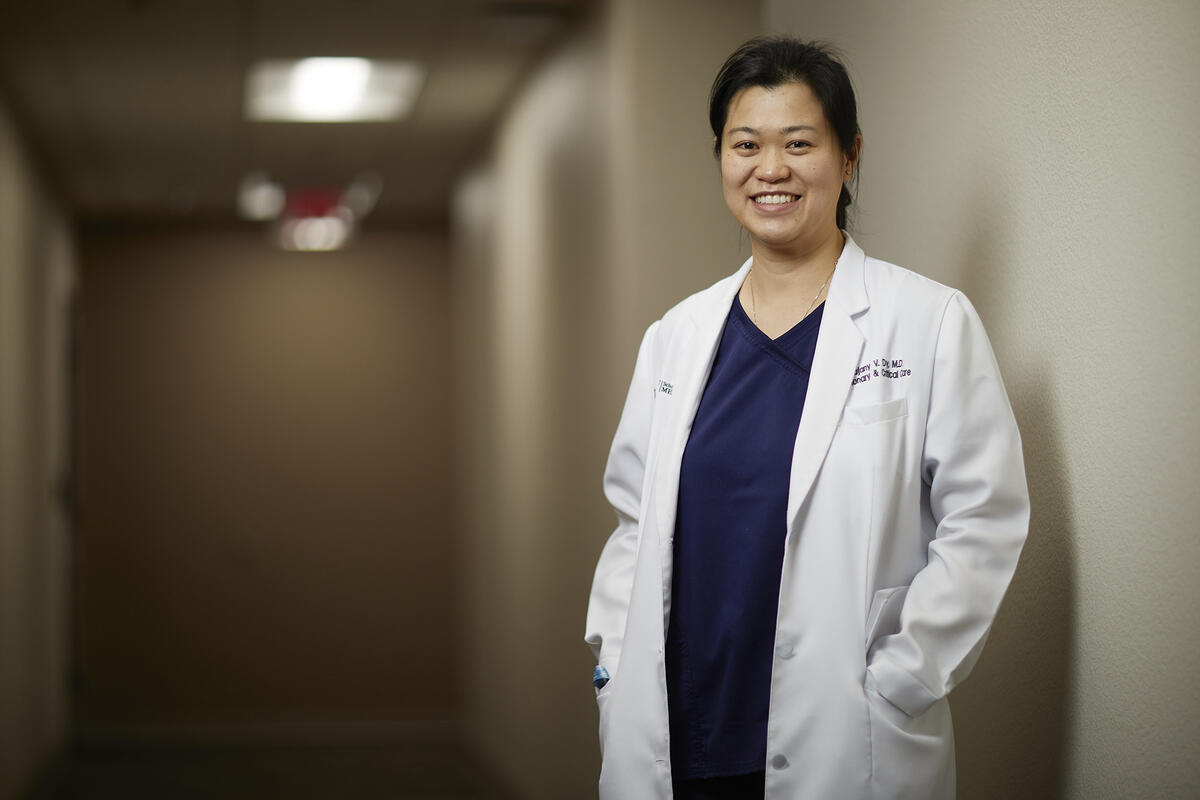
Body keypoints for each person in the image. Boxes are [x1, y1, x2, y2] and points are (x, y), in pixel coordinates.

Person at [584, 36, 1029, 800]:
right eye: (745, 144)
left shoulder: (926, 322)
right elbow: (633, 523)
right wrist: (612, 665)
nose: (771, 169)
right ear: (721, 158)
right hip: (680, 730)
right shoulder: (678, 338)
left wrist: (903, 676)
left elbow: (984, 520)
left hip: (845, 734)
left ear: (849, 156)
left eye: (800, 143)